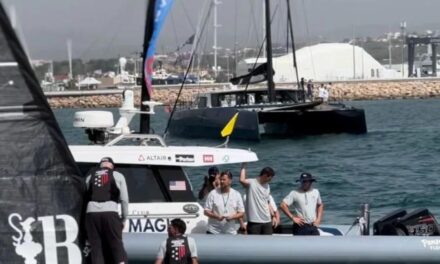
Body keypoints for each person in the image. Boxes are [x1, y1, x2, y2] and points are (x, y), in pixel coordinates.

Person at [85, 157, 129, 264]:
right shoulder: (117, 175)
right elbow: (124, 199)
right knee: (116, 245)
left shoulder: (89, 177)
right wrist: (123, 219)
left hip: (91, 214)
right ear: (112, 166)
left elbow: (86, 197)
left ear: (100, 165)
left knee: (96, 247)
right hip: (110, 212)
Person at [239, 163, 276, 235]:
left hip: (267, 221)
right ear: (265, 175)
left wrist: (273, 216)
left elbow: (267, 202)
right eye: (270, 178)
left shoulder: (267, 186)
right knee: (254, 244)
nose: (270, 180)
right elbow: (241, 180)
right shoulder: (251, 183)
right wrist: (244, 166)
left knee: (268, 244)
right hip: (254, 222)